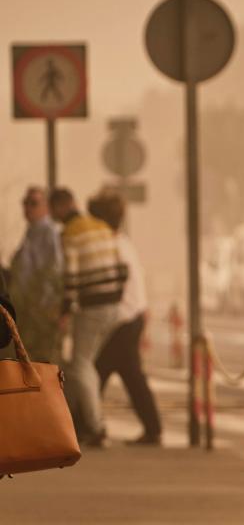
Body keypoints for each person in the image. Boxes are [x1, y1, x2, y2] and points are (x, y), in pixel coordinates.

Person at [50, 187, 127, 448]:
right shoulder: (100, 226)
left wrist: (64, 310)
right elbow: (122, 267)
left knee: (80, 365)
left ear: (60, 208)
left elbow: (70, 277)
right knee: (84, 365)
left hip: (92, 306)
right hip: (113, 305)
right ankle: (73, 421)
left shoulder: (70, 234)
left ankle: (96, 426)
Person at [89, 190, 162, 446]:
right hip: (130, 317)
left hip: (123, 320)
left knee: (98, 373)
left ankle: (87, 426)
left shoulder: (112, 246)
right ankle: (151, 428)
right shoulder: (122, 242)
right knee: (126, 375)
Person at [7, 186, 63, 363]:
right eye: (25, 203)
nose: (28, 208)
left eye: (34, 203)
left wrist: (44, 306)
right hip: (27, 311)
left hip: (40, 311)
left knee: (43, 362)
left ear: (46, 207)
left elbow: (54, 270)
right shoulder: (32, 231)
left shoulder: (49, 231)